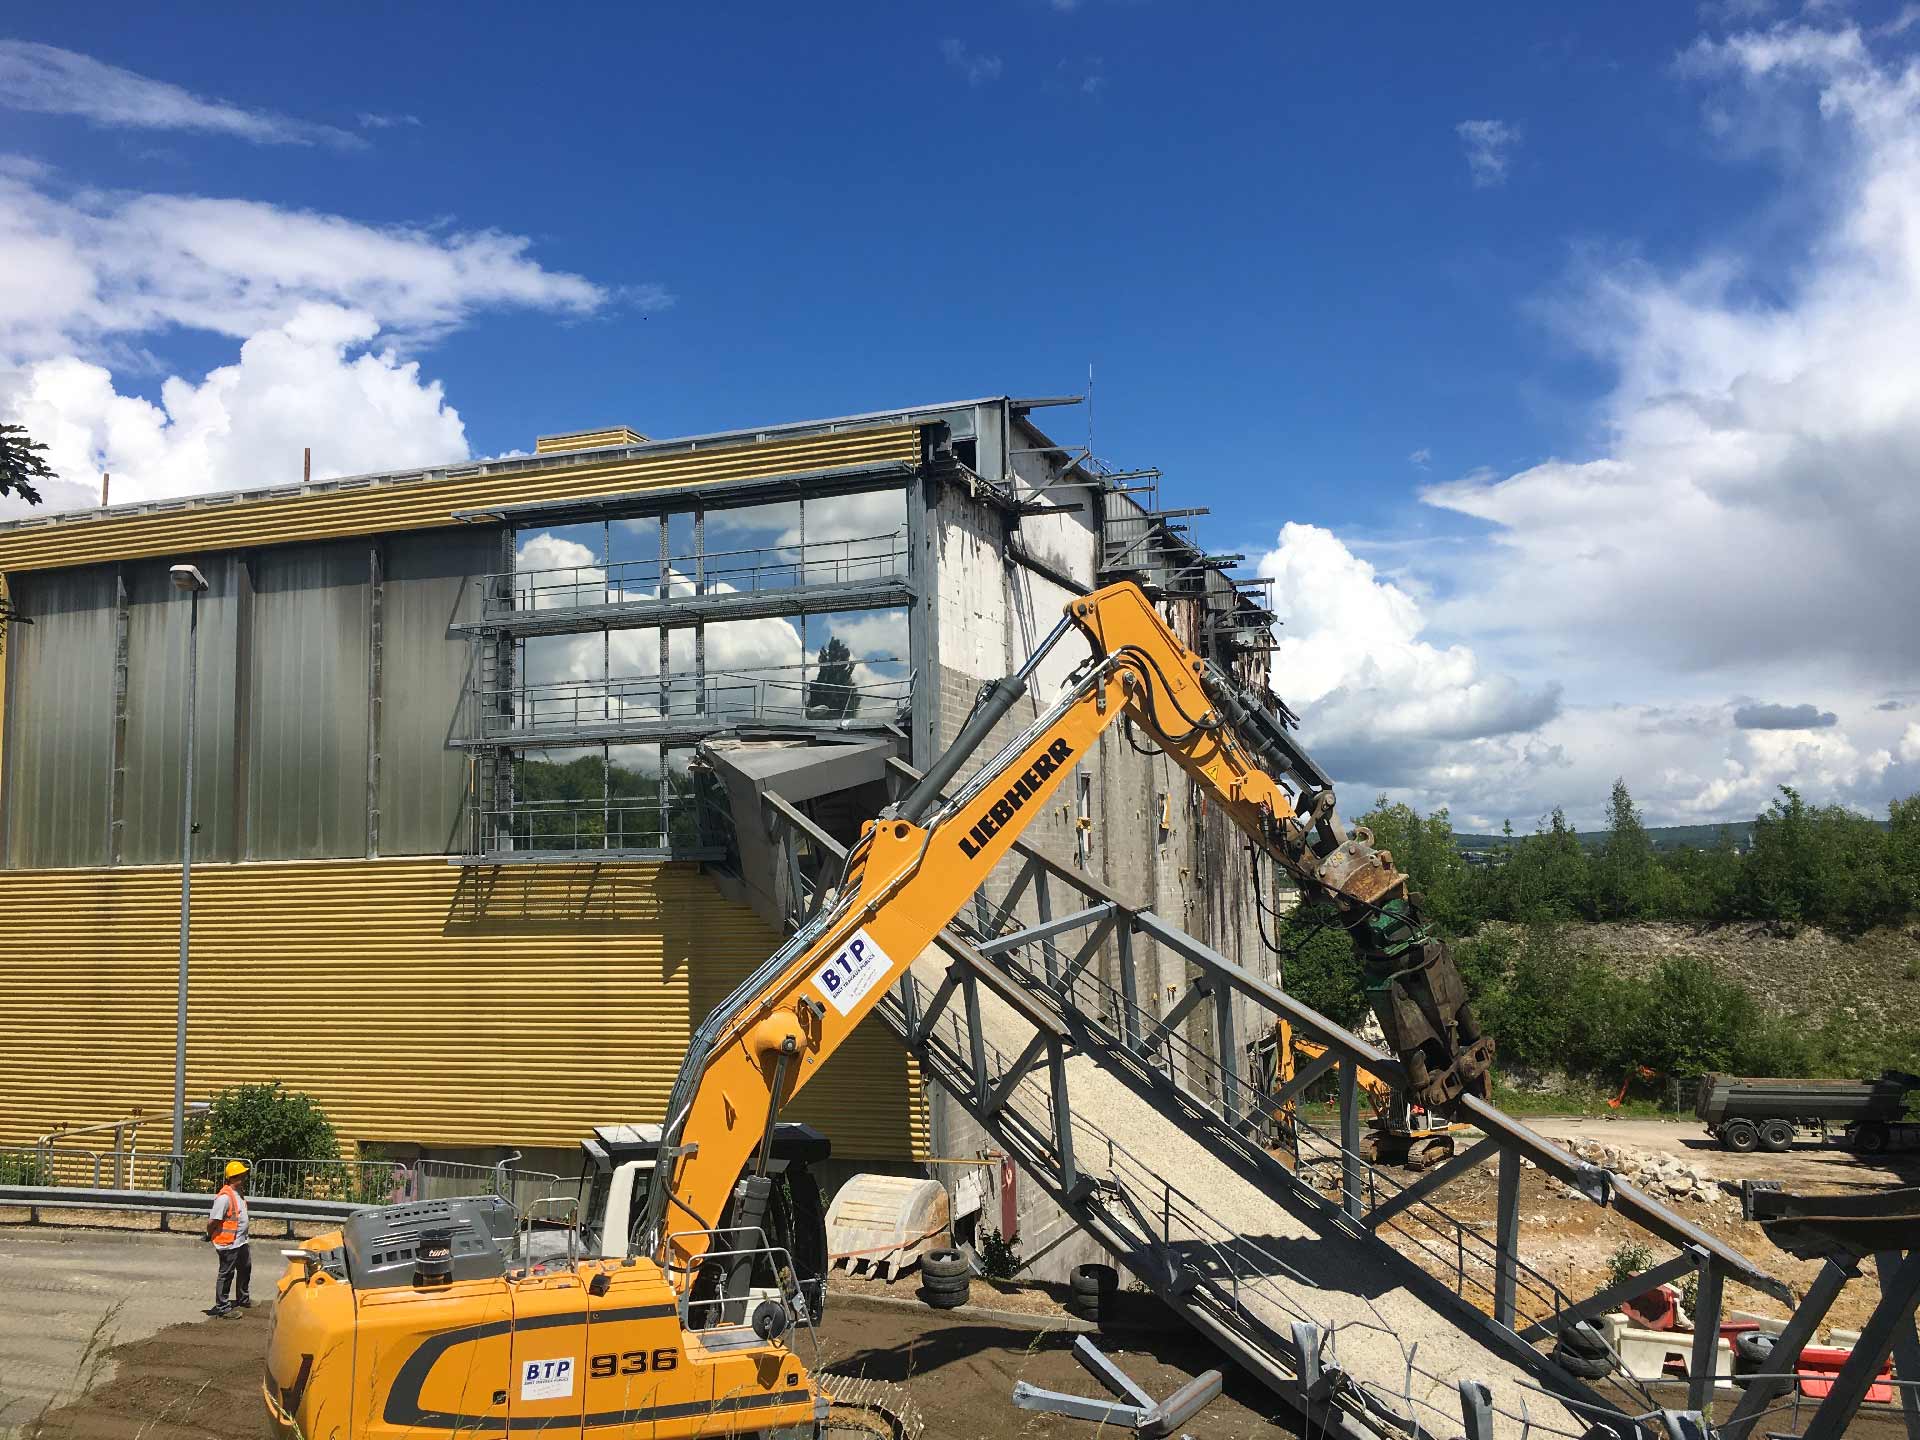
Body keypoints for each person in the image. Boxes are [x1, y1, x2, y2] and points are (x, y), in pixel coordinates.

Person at [205, 1160, 252, 1317]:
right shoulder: (224, 1198)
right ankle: (222, 1307)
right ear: (232, 1178)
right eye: (241, 1176)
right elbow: (213, 1221)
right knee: (226, 1274)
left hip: (240, 1241)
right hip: (228, 1243)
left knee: (245, 1268)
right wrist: (209, 1234)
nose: (244, 1178)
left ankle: (243, 1298)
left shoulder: (238, 1193)